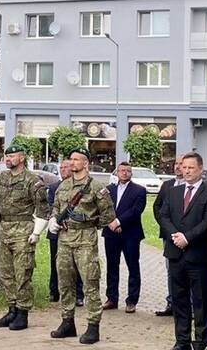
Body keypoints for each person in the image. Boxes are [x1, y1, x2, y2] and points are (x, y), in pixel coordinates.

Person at [0, 142, 49, 331]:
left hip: (23, 230)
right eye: (6, 156)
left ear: (21, 158)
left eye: (12, 156)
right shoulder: (2, 178)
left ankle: (22, 313)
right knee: (6, 273)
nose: (8, 159)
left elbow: (43, 209)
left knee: (22, 273)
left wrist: (36, 232)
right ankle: (12, 308)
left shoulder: (32, 180)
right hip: (4, 229)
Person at [49, 147, 116, 344]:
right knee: (65, 283)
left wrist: (89, 221)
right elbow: (56, 207)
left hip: (85, 240)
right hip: (64, 239)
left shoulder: (97, 187)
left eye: (76, 160)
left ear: (86, 163)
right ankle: (67, 322)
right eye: (70, 159)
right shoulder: (63, 186)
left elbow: (108, 216)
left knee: (90, 284)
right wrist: (54, 219)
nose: (72, 163)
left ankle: (93, 326)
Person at [155, 151, 207, 350]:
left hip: (198, 256)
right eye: (184, 167)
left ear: (200, 169)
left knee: (200, 301)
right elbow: (163, 215)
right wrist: (175, 235)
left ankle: (201, 341)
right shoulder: (174, 191)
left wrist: (187, 238)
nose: (186, 171)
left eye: (191, 167)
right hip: (175, 254)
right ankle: (182, 340)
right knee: (179, 299)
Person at [102, 161, 146, 313]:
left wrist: (119, 221)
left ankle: (132, 300)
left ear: (131, 173)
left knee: (133, 267)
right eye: (122, 170)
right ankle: (111, 298)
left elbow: (136, 210)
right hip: (111, 233)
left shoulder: (139, 190)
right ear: (117, 172)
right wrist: (111, 223)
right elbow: (104, 208)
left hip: (130, 234)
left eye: (127, 170)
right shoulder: (108, 190)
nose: (124, 173)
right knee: (111, 266)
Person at [48, 158, 84, 305]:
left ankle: (78, 294)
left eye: (66, 167)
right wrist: (54, 220)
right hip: (56, 230)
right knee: (55, 262)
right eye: (61, 167)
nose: (63, 170)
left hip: (75, 231)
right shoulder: (54, 187)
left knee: (77, 264)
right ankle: (54, 291)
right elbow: (51, 206)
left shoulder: (79, 188)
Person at [153, 155, 185, 317]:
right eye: (176, 164)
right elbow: (157, 207)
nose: (178, 167)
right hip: (169, 236)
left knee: (188, 270)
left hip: (188, 236)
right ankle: (172, 303)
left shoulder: (194, 187)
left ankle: (188, 305)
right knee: (170, 269)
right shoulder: (167, 185)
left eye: (182, 164)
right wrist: (167, 227)